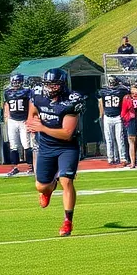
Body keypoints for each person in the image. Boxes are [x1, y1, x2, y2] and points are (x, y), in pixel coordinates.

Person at [26, 68, 85, 237]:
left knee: (67, 181)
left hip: (67, 147)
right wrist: (32, 122)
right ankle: (50, 187)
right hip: (45, 146)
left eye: (54, 84)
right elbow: (33, 112)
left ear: (62, 84)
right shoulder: (37, 94)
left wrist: (42, 127)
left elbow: (67, 134)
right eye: (48, 84)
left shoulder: (71, 101)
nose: (51, 88)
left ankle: (68, 221)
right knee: (41, 186)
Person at [97, 75, 130, 166]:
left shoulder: (121, 90)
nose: (111, 83)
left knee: (119, 138)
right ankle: (111, 157)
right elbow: (101, 103)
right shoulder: (104, 91)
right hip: (108, 116)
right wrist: (102, 115)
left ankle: (122, 157)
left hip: (117, 116)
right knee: (109, 139)